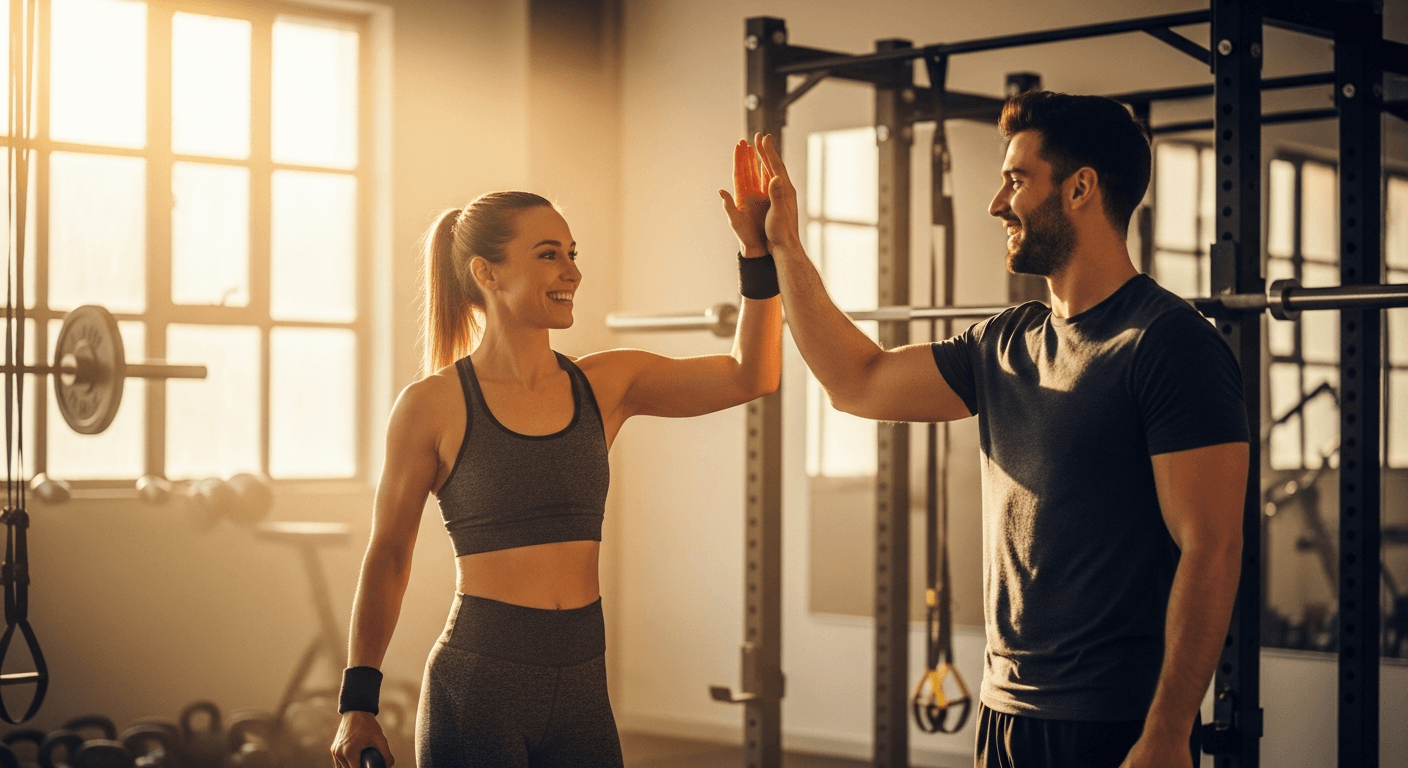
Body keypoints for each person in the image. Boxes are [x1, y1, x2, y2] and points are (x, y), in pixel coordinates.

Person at [751, 91, 1249, 768]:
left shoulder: (1168, 344)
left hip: (1113, 723)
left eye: (1016, 180)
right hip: (1006, 713)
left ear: (1080, 188)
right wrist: (785, 248)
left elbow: (1211, 549)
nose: (996, 203)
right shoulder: (1005, 343)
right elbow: (855, 382)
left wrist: (1167, 730)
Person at [329, 139, 782, 768]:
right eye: (549, 256)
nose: (572, 271)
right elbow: (388, 558)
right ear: (486, 273)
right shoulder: (432, 405)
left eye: (572, 254)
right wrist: (359, 701)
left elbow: (749, 375)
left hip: (582, 688)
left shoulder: (605, 384)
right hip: (479, 685)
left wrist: (758, 254)